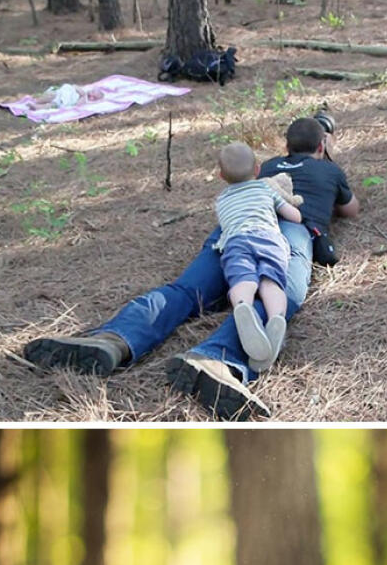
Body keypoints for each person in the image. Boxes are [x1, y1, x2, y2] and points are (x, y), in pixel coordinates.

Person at [22, 116, 359, 420]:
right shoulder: (329, 169)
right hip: (288, 230)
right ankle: (218, 359)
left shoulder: (268, 166)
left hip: (236, 230)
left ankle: (114, 338)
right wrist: (328, 160)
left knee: (186, 290)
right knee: (279, 290)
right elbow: (350, 209)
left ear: (284, 147)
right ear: (321, 145)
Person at [215, 141, 303, 370]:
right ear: (257, 169)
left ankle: (243, 307)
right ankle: (276, 319)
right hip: (268, 239)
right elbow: (293, 216)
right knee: (271, 281)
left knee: (242, 279)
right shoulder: (265, 188)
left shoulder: (221, 200)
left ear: (222, 176)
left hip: (236, 241)